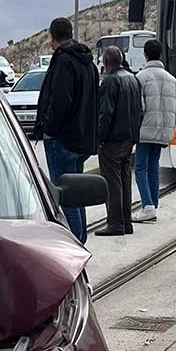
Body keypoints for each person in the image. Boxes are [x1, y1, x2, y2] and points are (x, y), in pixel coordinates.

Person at [33, 16, 99, 243]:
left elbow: (61, 100)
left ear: (52, 37)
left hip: (62, 139)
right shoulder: (87, 62)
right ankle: (80, 239)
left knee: (65, 196)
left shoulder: (63, 61)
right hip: (81, 138)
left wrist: (48, 128)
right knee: (77, 194)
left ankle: (74, 243)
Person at [94, 46, 142, 237]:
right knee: (124, 178)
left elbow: (106, 113)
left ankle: (115, 223)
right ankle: (126, 220)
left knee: (112, 181)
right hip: (129, 137)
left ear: (106, 63)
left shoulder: (111, 81)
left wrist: (100, 137)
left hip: (113, 139)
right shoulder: (133, 78)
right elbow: (140, 108)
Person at [132, 39, 176, 224]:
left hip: (145, 129)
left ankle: (147, 206)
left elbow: (140, 107)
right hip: (163, 131)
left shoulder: (141, 77)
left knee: (140, 168)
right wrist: (170, 126)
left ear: (145, 54)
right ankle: (153, 202)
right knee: (154, 166)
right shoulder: (171, 79)